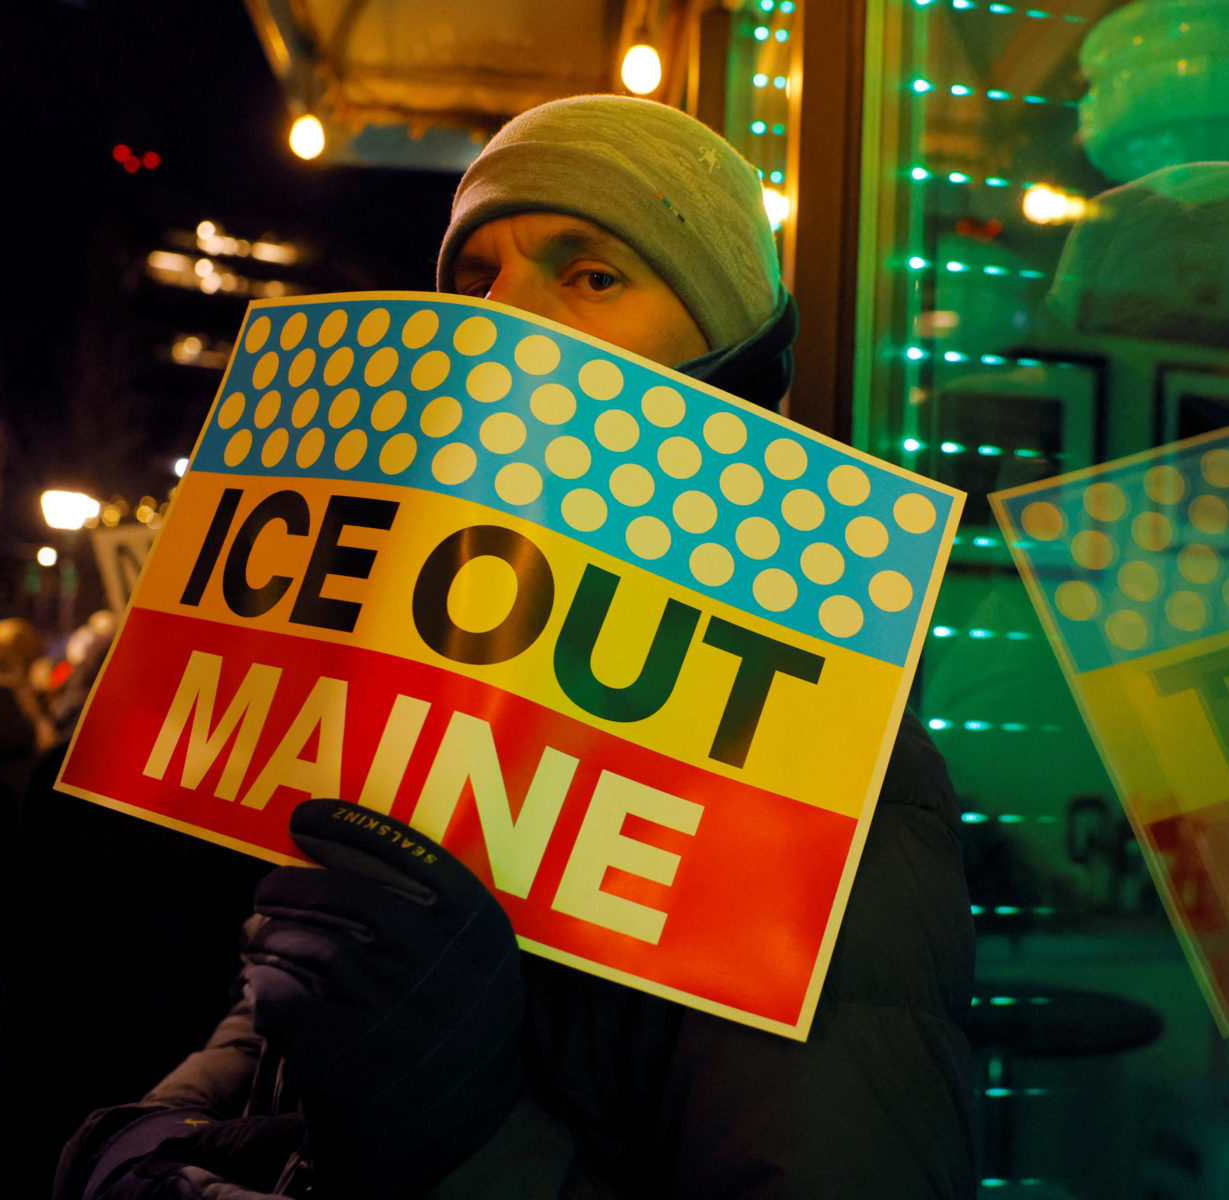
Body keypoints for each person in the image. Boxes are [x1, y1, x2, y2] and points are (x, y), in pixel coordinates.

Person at [55, 95, 977, 1200]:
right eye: (477, 279)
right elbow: (277, 1036)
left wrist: (465, 1131)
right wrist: (151, 1138)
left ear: (731, 356)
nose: (511, 323)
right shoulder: (418, 689)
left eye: (590, 274)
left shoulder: (844, 786)